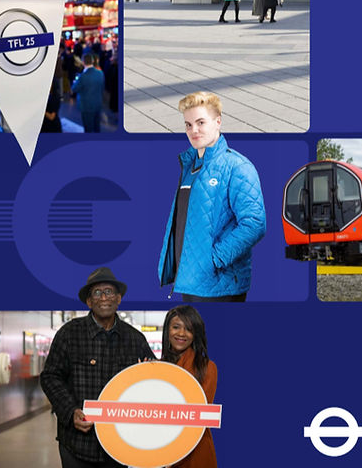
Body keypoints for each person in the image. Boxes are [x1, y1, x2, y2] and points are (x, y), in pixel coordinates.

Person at [40, 267, 154, 468]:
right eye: (97, 293)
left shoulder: (135, 339)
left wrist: (148, 377)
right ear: (89, 301)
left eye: (109, 292)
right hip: (77, 445)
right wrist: (70, 411)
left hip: (120, 445)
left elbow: (153, 380)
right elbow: (50, 376)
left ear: (118, 298)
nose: (104, 298)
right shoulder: (69, 334)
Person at [157, 92, 266, 302]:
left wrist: (214, 259)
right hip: (189, 281)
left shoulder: (237, 167)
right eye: (188, 124)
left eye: (200, 122)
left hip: (220, 286)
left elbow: (255, 223)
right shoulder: (190, 168)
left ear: (218, 122)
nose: (193, 130)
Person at [162, 306, 217, 468]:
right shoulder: (156, 367)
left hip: (195, 452)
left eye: (188, 329)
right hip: (161, 450)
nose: (181, 334)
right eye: (176, 327)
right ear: (167, 330)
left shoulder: (207, 367)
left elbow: (198, 417)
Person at [72, 53, 105, 133]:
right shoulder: (100, 73)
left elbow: (74, 89)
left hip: (87, 107)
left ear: (83, 62)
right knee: (97, 127)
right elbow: (102, 88)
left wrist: (75, 81)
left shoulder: (82, 76)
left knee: (88, 129)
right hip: (97, 104)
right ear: (93, 61)